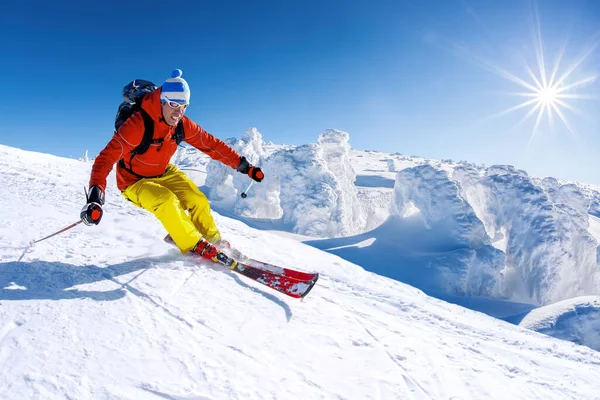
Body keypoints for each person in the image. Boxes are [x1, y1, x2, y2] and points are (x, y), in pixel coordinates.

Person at [80, 69, 264, 265]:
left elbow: (212, 145)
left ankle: (213, 241)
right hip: (134, 181)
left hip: (163, 172)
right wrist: (95, 196)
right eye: (174, 105)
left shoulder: (181, 124)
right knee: (166, 200)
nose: (178, 112)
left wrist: (245, 166)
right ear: (161, 101)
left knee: (197, 200)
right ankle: (193, 244)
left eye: (184, 106)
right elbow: (105, 159)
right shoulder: (137, 125)